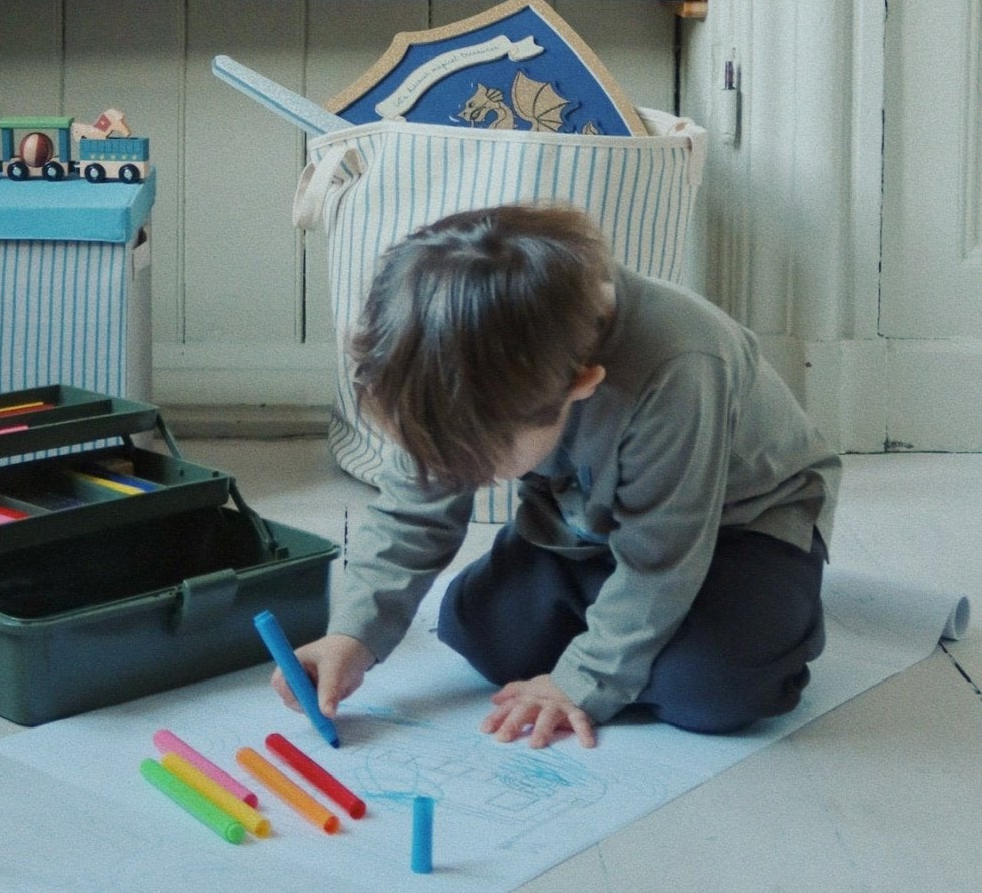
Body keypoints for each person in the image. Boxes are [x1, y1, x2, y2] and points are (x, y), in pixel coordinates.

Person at [273, 204, 840, 749]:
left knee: (715, 692)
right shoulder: (451, 359)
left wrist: (582, 680)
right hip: (590, 527)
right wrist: (352, 634)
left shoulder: (681, 363)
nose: (455, 475)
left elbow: (663, 553)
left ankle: (757, 618)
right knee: (475, 627)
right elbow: (410, 512)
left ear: (581, 386)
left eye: (476, 461)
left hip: (737, 529)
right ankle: (628, 628)